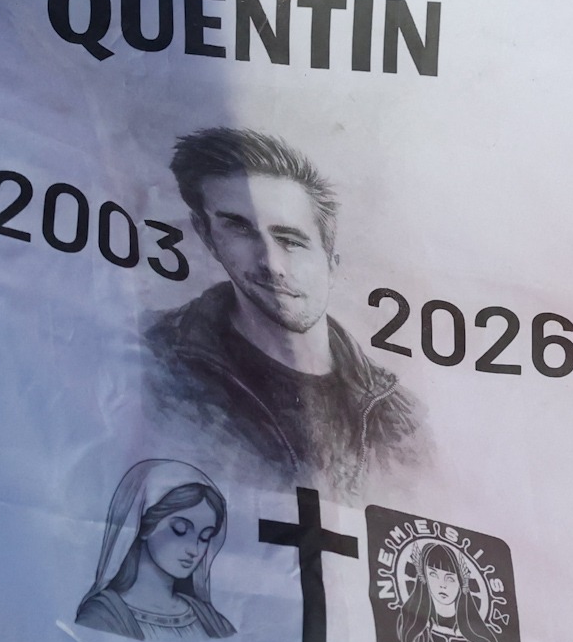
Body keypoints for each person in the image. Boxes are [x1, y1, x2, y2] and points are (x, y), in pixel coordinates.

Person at [144, 128, 419, 494]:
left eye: (291, 240)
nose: (271, 263)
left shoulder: (398, 416)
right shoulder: (147, 355)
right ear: (207, 236)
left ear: (331, 263)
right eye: (239, 229)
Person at [75, 459, 237, 641]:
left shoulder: (214, 623)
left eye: (204, 537)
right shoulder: (101, 616)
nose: (195, 550)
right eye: (180, 530)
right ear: (144, 527)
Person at [395, 541, 503, 642]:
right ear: (424, 577)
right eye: (434, 575)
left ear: (461, 583)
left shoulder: (478, 637)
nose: (442, 585)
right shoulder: (410, 623)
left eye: (450, 578)